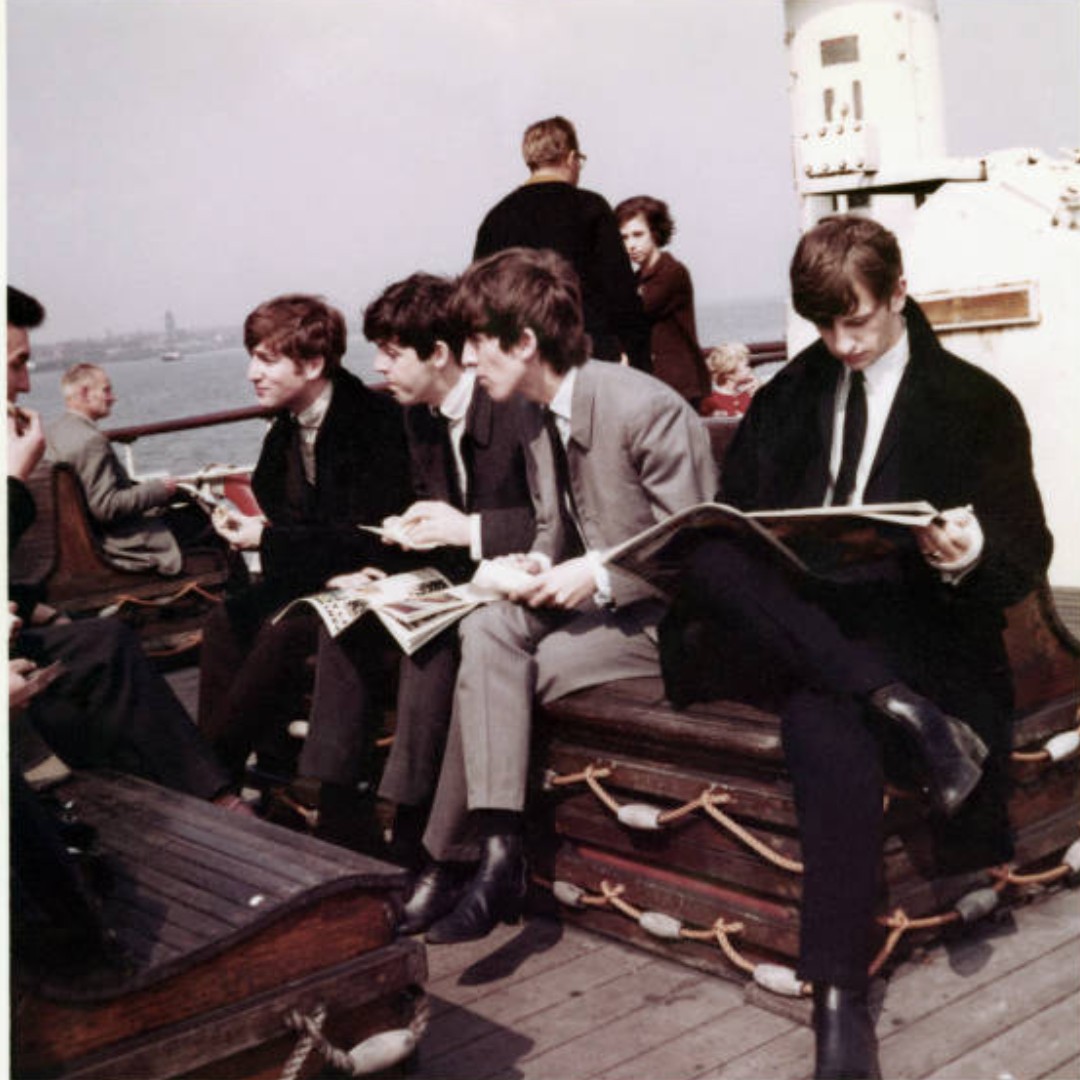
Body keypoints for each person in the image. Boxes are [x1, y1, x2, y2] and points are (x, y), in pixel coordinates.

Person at [659, 216, 1052, 1080]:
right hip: (810, 625)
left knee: (823, 718)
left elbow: (1028, 556)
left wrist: (969, 556)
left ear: (900, 294)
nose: (841, 345)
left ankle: (838, 998)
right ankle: (906, 715)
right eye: (825, 326)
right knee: (713, 553)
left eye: (858, 324)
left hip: (913, 628)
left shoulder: (975, 404)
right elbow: (737, 511)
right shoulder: (790, 394)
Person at [399, 247, 717, 945]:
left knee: (505, 678)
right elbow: (555, 528)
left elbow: (702, 550)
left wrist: (601, 574)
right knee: (485, 632)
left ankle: (450, 861)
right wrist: (531, 563)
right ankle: (499, 851)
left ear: (524, 342)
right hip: (601, 610)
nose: (469, 360)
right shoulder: (540, 414)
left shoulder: (644, 409)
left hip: (668, 620)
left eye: (479, 344)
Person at [274, 273, 536, 858]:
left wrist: (465, 530)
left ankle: (416, 831)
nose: (379, 368)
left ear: (438, 354)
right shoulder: (418, 417)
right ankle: (341, 811)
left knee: (428, 644)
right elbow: (434, 513)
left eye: (391, 353)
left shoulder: (514, 411)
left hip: (519, 581)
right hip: (462, 578)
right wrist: (404, 539)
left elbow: (556, 522)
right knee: (345, 618)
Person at [7, 285, 240, 807]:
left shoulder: (67, 436)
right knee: (210, 538)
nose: (25, 384)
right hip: (106, 550)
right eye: (17, 365)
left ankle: (186, 797)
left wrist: (31, 605)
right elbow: (109, 506)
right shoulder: (81, 442)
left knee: (106, 641)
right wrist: (14, 485)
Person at [197, 293, 413, 788]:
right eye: (253, 357)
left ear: (313, 363)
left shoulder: (374, 424)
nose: (253, 373)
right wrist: (267, 538)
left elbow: (367, 532)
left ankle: (212, 774)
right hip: (321, 575)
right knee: (223, 621)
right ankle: (230, 772)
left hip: (382, 579)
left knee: (283, 633)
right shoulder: (284, 435)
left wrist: (266, 540)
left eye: (267, 359)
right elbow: (309, 530)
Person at [474, 116, 650, 370]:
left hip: (520, 363)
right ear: (571, 158)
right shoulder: (591, 208)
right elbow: (621, 293)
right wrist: (640, 363)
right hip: (586, 358)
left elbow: (480, 301)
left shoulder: (495, 219)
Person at [46, 362, 217, 574]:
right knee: (208, 524)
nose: (113, 397)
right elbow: (105, 507)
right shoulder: (91, 441)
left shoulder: (53, 433)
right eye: (106, 390)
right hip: (113, 543)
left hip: (74, 542)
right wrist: (160, 489)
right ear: (85, 393)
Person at [614, 195, 710, 406]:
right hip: (654, 383)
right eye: (624, 238)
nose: (631, 245)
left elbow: (635, 313)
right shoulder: (636, 279)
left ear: (655, 233)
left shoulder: (672, 272)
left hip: (679, 384)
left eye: (638, 235)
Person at [700, 341, 759, 417]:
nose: (750, 369)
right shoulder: (710, 401)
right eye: (746, 366)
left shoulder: (750, 391)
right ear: (729, 374)